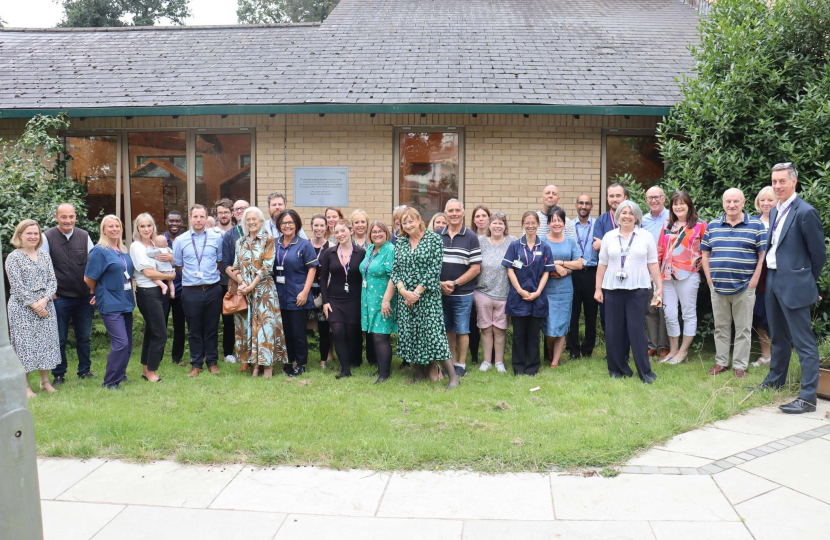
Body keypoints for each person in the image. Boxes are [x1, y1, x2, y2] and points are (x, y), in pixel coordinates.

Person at [757, 163, 827, 414]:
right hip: (773, 279)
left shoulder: (806, 212)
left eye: (782, 181)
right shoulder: (776, 210)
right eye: (774, 181)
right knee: (778, 336)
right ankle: (775, 381)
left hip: (794, 283)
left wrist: (806, 281)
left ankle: (808, 398)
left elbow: (819, 255)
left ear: (794, 182)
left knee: (804, 341)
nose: (777, 186)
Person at [701, 188, 767, 379]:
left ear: (744, 203)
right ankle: (721, 362)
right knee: (721, 326)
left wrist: (754, 281)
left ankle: (739, 365)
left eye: (736, 201)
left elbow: (762, 256)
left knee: (743, 328)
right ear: (723, 203)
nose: (731, 205)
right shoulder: (713, 225)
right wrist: (709, 280)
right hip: (718, 286)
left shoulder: (756, 226)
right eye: (728, 201)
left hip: (744, 287)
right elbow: (705, 254)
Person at [390, 207, 458, 389]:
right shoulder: (401, 242)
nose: (408, 225)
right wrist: (404, 292)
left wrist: (417, 293)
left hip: (428, 298)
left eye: (411, 220)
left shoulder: (434, 239)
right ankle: (419, 375)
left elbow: (434, 269)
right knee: (411, 334)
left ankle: (453, 377)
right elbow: (395, 270)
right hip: (405, 299)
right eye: (404, 222)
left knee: (435, 336)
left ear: (419, 219)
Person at [595, 201, 661, 383]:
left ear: (636, 217)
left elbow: (653, 263)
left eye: (631, 213)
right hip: (613, 289)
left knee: (637, 330)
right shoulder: (609, 236)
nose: (627, 216)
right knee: (613, 331)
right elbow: (602, 264)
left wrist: (659, 287)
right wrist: (598, 288)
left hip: (638, 289)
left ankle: (644, 371)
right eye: (623, 212)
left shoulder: (646, 236)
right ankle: (617, 369)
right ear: (618, 216)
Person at [40, 203, 95, 386]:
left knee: (84, 337)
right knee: (60, 338)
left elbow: (93, 263)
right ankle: (58, 374)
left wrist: (93, 289)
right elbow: (42, 268)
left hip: (83, 296)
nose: (68, 220)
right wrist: (51, 293)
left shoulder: (84, 236)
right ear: (56, 217)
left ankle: (84, 371)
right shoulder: (47, 237)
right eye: (64, 217)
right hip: (60, 297)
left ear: (75, 217)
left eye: (71, 216)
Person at [6, 220, 60, 398]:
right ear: (20, 235)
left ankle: (45, 382)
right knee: (25, 346)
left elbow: (52, 281)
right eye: (29, 233)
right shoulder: (13, 257)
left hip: (46, 305)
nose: (33, 237)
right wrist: (34, 305)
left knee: (46, 344)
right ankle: (25, 386)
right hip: (23, 307)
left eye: (36, 233)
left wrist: (44, 301)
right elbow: (17, 286)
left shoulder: (44, 255)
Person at [233, 207, 289, 378]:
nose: (251, 222)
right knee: (248, 327)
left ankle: (268, 366)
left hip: (264, 290)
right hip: (246, 292)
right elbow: (235, 267)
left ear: (261, 221)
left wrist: (251, 285)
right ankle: (254, 364)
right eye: (247, 220)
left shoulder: (268, 239)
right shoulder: (240, 242)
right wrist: (242, 284)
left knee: (265, 327)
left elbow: (266, 266)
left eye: (254, 219)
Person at [84, 215, 136, 390]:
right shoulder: (99, 251)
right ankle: (110, 381)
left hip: (126, 300)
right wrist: (99, 292)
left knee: (127, 343)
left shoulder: (122, 250)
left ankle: (121, 375)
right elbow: (89, 278)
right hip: (110, 302)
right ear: (103, 230)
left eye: (117, 226)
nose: (114, 229)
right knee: (120, 343)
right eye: (110, 226)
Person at [173, 204, 225, 377]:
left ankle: (212, 362)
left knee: (211, 328)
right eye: (195, 216)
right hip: (191, 291)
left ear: (206, 218)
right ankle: (196, 364)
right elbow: (179, 265)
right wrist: (194, 278)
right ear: (190, 218)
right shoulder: (180, 240)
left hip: (212, 289)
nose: (198, 220)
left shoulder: (216, 238)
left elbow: (219, 261)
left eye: (202, 216)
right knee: (194, 329)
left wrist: (206, 276)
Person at [658, 191, 706, 365]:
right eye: (675, 204)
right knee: (670, 314)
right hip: (666, 275)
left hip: (688, 274)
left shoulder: (700, 225)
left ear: (689, 205)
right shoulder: (667, 224)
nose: (678, 206)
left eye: (682, 203)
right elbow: (660, 249)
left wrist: (703, 259)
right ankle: (673, 350)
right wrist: (656, 273)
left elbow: (709, 247)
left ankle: (683, 352)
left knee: (688, 314)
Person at [503, 211, 553, 376]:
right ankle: (518, 367)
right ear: (522, 224)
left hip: (537, 297)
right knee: (518, 335)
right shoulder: (515, 246)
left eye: (533, 223)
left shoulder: (544, 247)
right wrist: (519, 290)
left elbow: (547, 272)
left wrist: (538, 292)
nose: (530, 226)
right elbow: (509, 270)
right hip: (519, 296)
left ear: (538, 225)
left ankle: (532, 367)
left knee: (533, 335)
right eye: (527, 223)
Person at [130, 214, 175, 383]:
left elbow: (168, 264)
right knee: (160, 333)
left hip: (160, 292)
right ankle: (152, 371)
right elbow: (148, 272)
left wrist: (171, 265)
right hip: (148, 293)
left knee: (151, 332)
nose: (146, 229)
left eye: (149, 225)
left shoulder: (156, 244)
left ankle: (145, 370)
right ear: (137, 229)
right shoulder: (137, 246)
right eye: (142, 226)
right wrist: (169, 277)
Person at [273, 209, 319, 377]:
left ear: (297, 225)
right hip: (279, 295)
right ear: (279, 225)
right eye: (284, 223)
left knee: (298, 332)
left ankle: (300, 363)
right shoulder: (274, 243)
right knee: (285, 332)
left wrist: (305, 292)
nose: (287, 226)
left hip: (297, 295)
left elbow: (312, 269)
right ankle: (288, 361)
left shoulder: (304, 244)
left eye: (290, 223)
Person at [439, 199, 482, 378]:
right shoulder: (436, 235)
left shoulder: (471, 236)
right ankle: (451, 361)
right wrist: (440, 285)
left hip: (463, 293)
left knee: (462, 329)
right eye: (451, 211)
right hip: (440, 292)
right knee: (448, 329)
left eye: (458, 210)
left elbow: (475, 267)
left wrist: (455, 283)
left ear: (463, 213)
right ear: (445, 213)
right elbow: (429, 263)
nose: (454, 214)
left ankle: (461, 364)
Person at [320, 219, 366, 379]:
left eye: (343, 231)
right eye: (337, 232)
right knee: (338, 332)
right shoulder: (329, 253)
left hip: (354, 299)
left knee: (352, 333)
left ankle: (355, 360)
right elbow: (323, 278)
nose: (340, 234)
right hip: (334, 299)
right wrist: (325, 302)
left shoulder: (361, 252)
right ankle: (345, 369)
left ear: (351, 231)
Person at [541, 206, 583, 368]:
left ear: (564, 223)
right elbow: (539, 263)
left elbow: (579, 264)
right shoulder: (543, 241)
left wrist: (562, 264)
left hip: (565, 290)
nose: (557, 223)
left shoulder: (570, 242)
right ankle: (550, 347)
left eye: (559, 220)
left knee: (561, 324)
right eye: (553, 221)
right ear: (549, 223)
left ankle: (555, 361)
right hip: (547, 288)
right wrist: (554, 267)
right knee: (550, 324)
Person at [475, 212, 517, 372]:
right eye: (495, 223)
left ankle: (499, 362)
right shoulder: (480, 242)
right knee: (485, 329)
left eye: (501, 223)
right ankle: (486, 361)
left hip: (504, 293)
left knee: (500, 330)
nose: (498, 226)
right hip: (483, 292)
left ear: (505, 226)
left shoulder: (512, 242)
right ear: (489, 225)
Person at [592, 183, 629, 356]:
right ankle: (612, 351)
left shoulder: (632, 218)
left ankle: (625, 351)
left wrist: (607, 243)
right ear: (607, 199)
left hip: (630, 277)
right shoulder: (601, 220)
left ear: (625, 198)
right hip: (608, 278)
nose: (614, 199)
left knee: (627, 316)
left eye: (618, 195)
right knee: (608, 317)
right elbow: (597, 246)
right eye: (611, 196)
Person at [361, 220, 397, 383]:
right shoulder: (370, 249)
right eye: (374, 232)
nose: (377, 234)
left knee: (381, 335)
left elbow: (393, 276)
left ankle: (384, 374)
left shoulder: (390, 249)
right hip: (370, 299)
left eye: (380, 231)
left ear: (386, 233)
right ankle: (380, 369)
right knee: (375, 335)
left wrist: (386, 300)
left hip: (384, 299)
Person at [567, 194, 599, 360]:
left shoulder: (598, 225)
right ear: (576, 205)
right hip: (573, 273)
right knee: (572, 313)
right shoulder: (569, 225)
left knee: (591, 314)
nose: (584, 206)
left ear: (591, 206)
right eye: (581, 203)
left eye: (587, 203)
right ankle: (573, 349)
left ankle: (587, 348)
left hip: (592, 273)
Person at [641, 186, 671, 359]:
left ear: (664, 198)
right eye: (650, 198)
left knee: (665, 309)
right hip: (647, 269)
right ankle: (652, 345)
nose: (653, 200)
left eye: (657, 197)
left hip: (667, 269)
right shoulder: (642, 220)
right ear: (646, 200)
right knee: (651, 309)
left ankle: (664, 346)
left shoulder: (671, 217)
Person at [222, 198, 250, 367]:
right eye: (237, 209)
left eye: (244, 208)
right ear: (233, 213)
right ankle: (239, 356)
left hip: (258, 283)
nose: (240, 211)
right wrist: (240, 280)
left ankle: (257, 354)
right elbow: (225, 264)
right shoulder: (230, 235)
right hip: (237, 284)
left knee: (256, 319)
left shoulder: (261, 232)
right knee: (237, 320)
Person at [751, 186, 775, 367]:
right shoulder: (752, 222)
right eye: (762, 200)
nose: (766, 203)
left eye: (770, 200)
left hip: (777, 275)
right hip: (758, 276)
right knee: (760, 315)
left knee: (776, 315)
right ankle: (766, 355)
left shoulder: (782, 221)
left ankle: (779, 355)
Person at [308, 214, 334, 369]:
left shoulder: (331, 247)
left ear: (326, 227)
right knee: (302, 328)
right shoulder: (305, 245)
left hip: (324, 292)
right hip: (306, 292)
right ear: (311, 227)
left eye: (321, 226)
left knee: (324, 329)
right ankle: (299, 359)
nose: (318, 229)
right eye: (316, 225)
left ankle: (323, 361)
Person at [467, 205, 491, 366]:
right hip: (471, 285)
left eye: (484, 216)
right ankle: (475, 355)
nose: (481, 219)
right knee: (473, 322)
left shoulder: (495, 237)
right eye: (477, 216)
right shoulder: (470, 237)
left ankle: (492, 356)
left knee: (490, 324)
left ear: (489, 218)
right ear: (473, 220)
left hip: (490, 286)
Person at [212, 198, 236, 363]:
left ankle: (229, 352)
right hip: (214, 282)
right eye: (220, 212)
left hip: (231, 281)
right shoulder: (210, 232)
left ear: (232, 213)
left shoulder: (237, 232)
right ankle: (212, 352)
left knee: (230, 319)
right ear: (217, 214)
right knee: (213, 319)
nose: (223, 215)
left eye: (226, 212)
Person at [163, 210, 187, 365]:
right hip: (162, 289)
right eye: (171, 221)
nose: (174, 224)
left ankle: (176, 358)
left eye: (177, 221)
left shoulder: (186, 240)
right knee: (160, 325)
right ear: (166, 222)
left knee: (179, 326)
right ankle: (156, 357)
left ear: (182, 223)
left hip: (182, 289)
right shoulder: (158, 240)